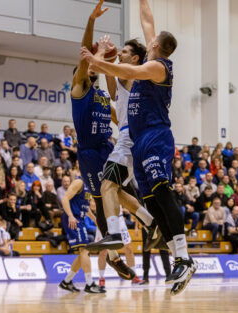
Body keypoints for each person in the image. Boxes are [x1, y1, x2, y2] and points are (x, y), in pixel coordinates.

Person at [80, 0, 195, 294]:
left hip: (155, 136)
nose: (148, 37)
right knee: (153, 201)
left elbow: (127, 74)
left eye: (151, 39)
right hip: (140, 140)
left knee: (162, 191)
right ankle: (175, 255)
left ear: (155, 46)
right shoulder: (151, 56)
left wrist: (97, 62)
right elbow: (146, 20)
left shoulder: (158, 66)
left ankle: (183, 256)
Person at [67, 0, 135, 282]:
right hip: (90, 154)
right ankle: (117, 257)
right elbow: (85, 58)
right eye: (87, 68)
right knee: (107, 196)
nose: (90, 69)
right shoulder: (79, 89)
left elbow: (119, 120)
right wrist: (91, 20)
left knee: (120, 192)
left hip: (107, 147)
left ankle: (145, 219)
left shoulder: (102, 96)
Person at [59, 177, 104, 293]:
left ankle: (67, 281)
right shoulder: (79, 182)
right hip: (73, 218)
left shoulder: (90, 185)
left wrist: (94, 218)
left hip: (81, 218)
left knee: (83, 252)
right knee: (85, 250)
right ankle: (89, 284)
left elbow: (85, 206)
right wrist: (70, 215)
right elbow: (65, 198)